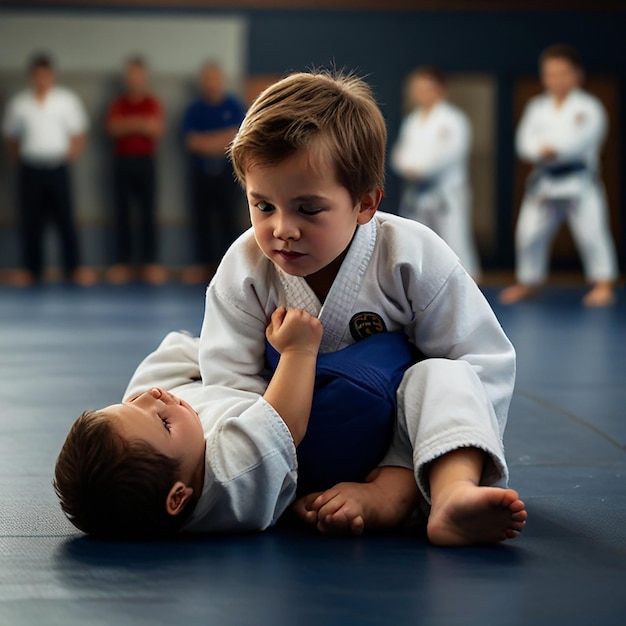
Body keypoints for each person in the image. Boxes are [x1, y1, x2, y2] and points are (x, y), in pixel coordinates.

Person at [199, 70, 527, 546]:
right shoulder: (245, 268)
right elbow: (228, 382)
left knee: (448, 376)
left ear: (365, 203)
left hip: (404, 445)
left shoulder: (412, 256)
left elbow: (483, 362)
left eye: (308, 209)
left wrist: (397, 468)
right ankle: (296, 497)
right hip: (294, 441)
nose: (282, 229)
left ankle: (446, 493)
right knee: (192, 392)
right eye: (263, 205)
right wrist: (270, 473)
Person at [54, 307, 323, 540]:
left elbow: (176, 362)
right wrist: (299, 350)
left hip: (210, 375)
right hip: (285, 391)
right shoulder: (231, 473)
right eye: (164, 423)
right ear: (178, 497)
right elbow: (286, 421)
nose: (153, 396)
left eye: (131, 405)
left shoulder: (155, 426)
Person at [499, 44, 619, 307]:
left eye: (562, 73)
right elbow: (524, 143)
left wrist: (554, 148)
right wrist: (541, 150)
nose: (556, 79)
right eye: (550, 73)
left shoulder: (588, 108)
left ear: (577, 75)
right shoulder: (537, 107)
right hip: (545, 181)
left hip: (579, 182)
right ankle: (528, 282)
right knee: (528, 234)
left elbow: (579, 141)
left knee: (592, 233)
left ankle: (603, 283)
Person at [2, 52, 95, 287]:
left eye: (45, 74)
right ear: (32, 76)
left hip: (57, 167)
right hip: (30, 168)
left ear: (51, 75)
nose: (41, 79)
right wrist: (21, 158)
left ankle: (73, 268)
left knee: (65, 219)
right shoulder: (20, 103)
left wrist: (70, 155)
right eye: (37, 75)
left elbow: (79, 133)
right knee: (30, 220)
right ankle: (32, 270)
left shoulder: (65, 100)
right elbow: (11, 138)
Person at [391, 66, 480, 280]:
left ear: (440, 90)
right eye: (418, 89)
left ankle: (467, 284)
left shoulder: (453, 120)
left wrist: (420, 169)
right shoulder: (413, 119)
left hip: (445, 192)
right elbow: (400, 153)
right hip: (418, 191)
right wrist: (408, 167)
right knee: (417, 241)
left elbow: (448, 154)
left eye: (426, 88)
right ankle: (423, 285)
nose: (421, 93)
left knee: (454, 241)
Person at [181, 62, 246, 284]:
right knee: (202, 220)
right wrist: (221, 140)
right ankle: (203, 265)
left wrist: (208, 141)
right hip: (200, 174)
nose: (211, 83)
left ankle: (230, 268)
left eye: (214, 77)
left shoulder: (234, 106)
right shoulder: (194, 110)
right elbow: (192, 142)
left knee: (229, 219)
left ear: (221, 80)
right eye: (206, 78)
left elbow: (238, 137)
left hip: (229, 174)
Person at [105, 56, 167, 285]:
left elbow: (156, 129)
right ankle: (123, 263)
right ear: (126, 77)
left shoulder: (152, 102)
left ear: (144, 76)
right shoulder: (118, 103)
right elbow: (113, 128)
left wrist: (130, 125)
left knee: (148, 212)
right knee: (122, 212)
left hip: (146, 162)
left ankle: (149, 263)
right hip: (122, 162)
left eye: (138, 74)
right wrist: (140, 124)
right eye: (131, 74)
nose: (135, 79)